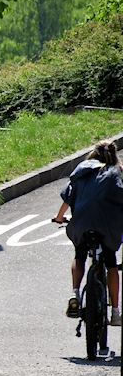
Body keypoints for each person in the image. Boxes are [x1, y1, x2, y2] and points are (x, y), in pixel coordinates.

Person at [53, 139, 123, 326]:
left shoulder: (82, 171)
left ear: (93, 153)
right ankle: (115, 313)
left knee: (80, 255)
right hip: (108, 226)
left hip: (82, 224)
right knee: (111, 264)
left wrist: (60, 217)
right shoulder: (117, 173)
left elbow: (68, 197)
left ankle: (75, 292)